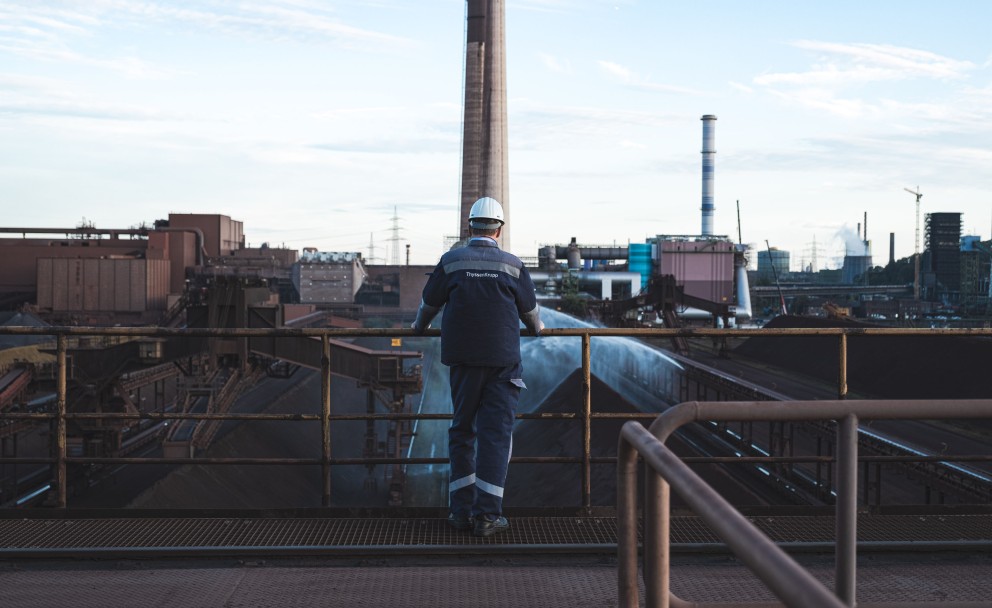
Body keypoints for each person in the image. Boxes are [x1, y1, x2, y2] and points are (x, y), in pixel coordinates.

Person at [412, 196, 543, 537]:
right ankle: (487, 516)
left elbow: (428, 305)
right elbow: (532, 316)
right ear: (500, 228)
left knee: (462, 431)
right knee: (495, 436)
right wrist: (536, 329)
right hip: (502, 363)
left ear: (470, 226)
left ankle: (460, 512)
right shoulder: (513, 265)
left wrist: (418, 329)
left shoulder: (451, 261)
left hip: (463, 360)